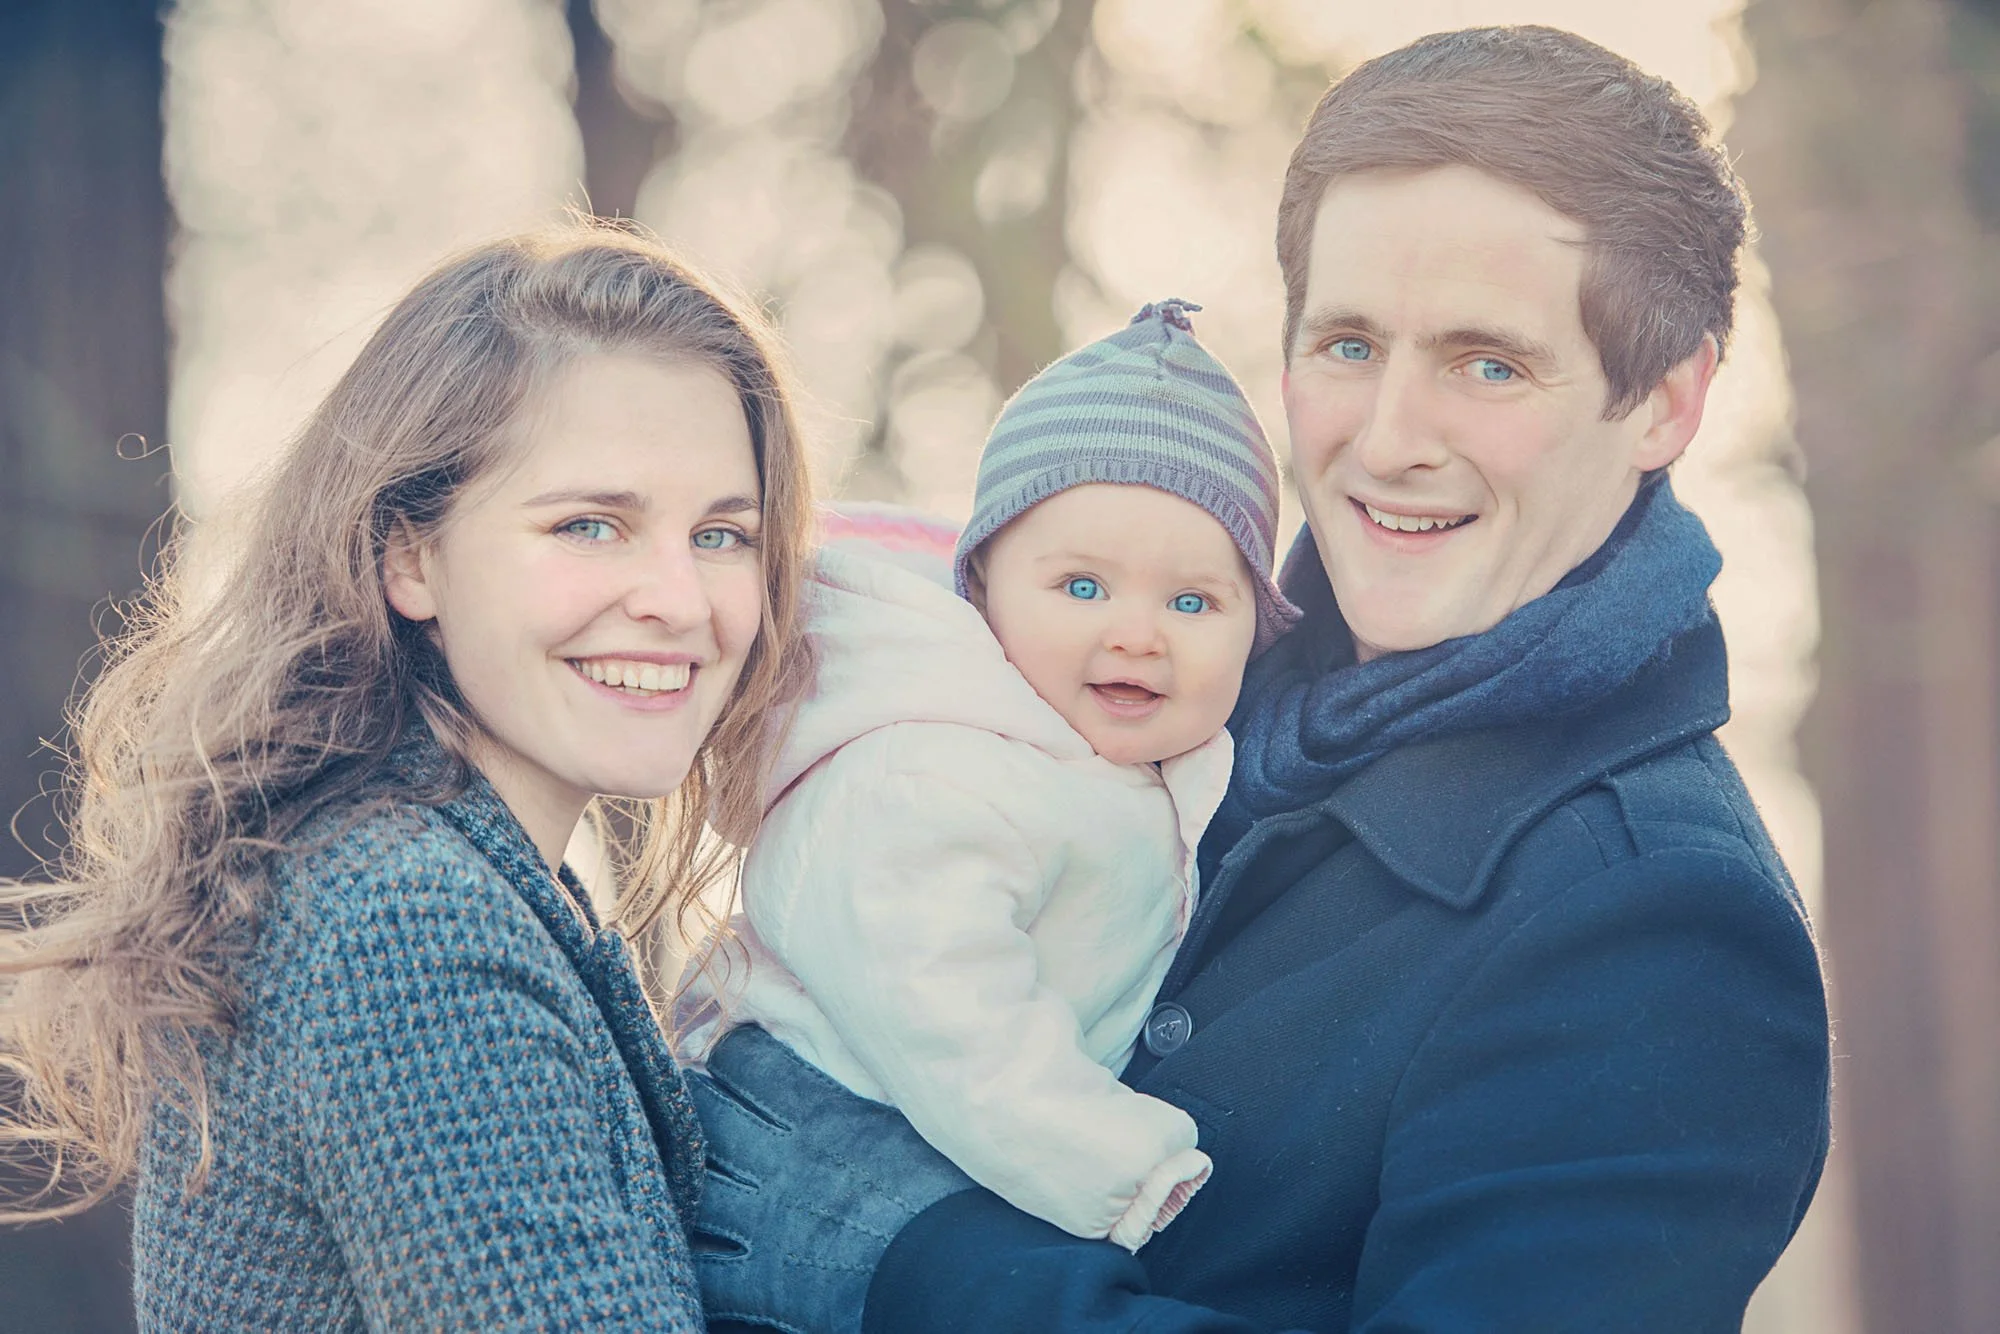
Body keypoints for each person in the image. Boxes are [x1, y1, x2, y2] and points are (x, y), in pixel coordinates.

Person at [688, 25, 1833, 1332]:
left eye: (1488, 363)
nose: (1388, 438)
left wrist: (921, 1259)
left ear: (1667, 403)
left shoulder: (1662, 918)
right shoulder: (1139, 697)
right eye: (1347, 344)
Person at [0, 226, 816, 1330]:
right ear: (407, 556)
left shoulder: (450, 875)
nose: (679, 597)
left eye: (721, 534)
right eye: (590, 523)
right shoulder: (406, 919)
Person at [682, 304, 1299, 1332]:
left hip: (957, 1181)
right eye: (1082, 585)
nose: (1136, 633)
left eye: (1192, 602)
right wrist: (1126, 1170)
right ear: (984, 590)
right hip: (815, 1167)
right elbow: (950, 1019)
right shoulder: (933, 769)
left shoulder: (1124, 765)